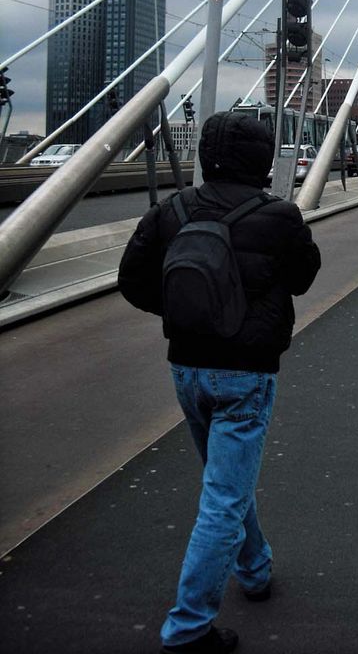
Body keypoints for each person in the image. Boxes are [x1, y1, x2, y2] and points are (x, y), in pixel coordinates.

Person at [119, 111, 321, 654]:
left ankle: (254, 571)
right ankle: (187, 629)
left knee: (224, 484)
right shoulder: (280, 216)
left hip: (185, 367)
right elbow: (304, 277)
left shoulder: (172, 211)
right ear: (261, 160)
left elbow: (132, 281)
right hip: (247, 373)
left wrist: (187, 314)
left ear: (206, 156)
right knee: (224, 497)